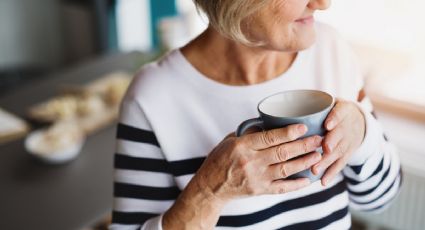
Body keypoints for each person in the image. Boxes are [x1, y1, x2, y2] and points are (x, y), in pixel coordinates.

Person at [110, 0, 402, 229]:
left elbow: (380, 199)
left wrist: (363, 133)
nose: (323, 3)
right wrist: (209, 192)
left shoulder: (331, 50)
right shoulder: (152, 98)